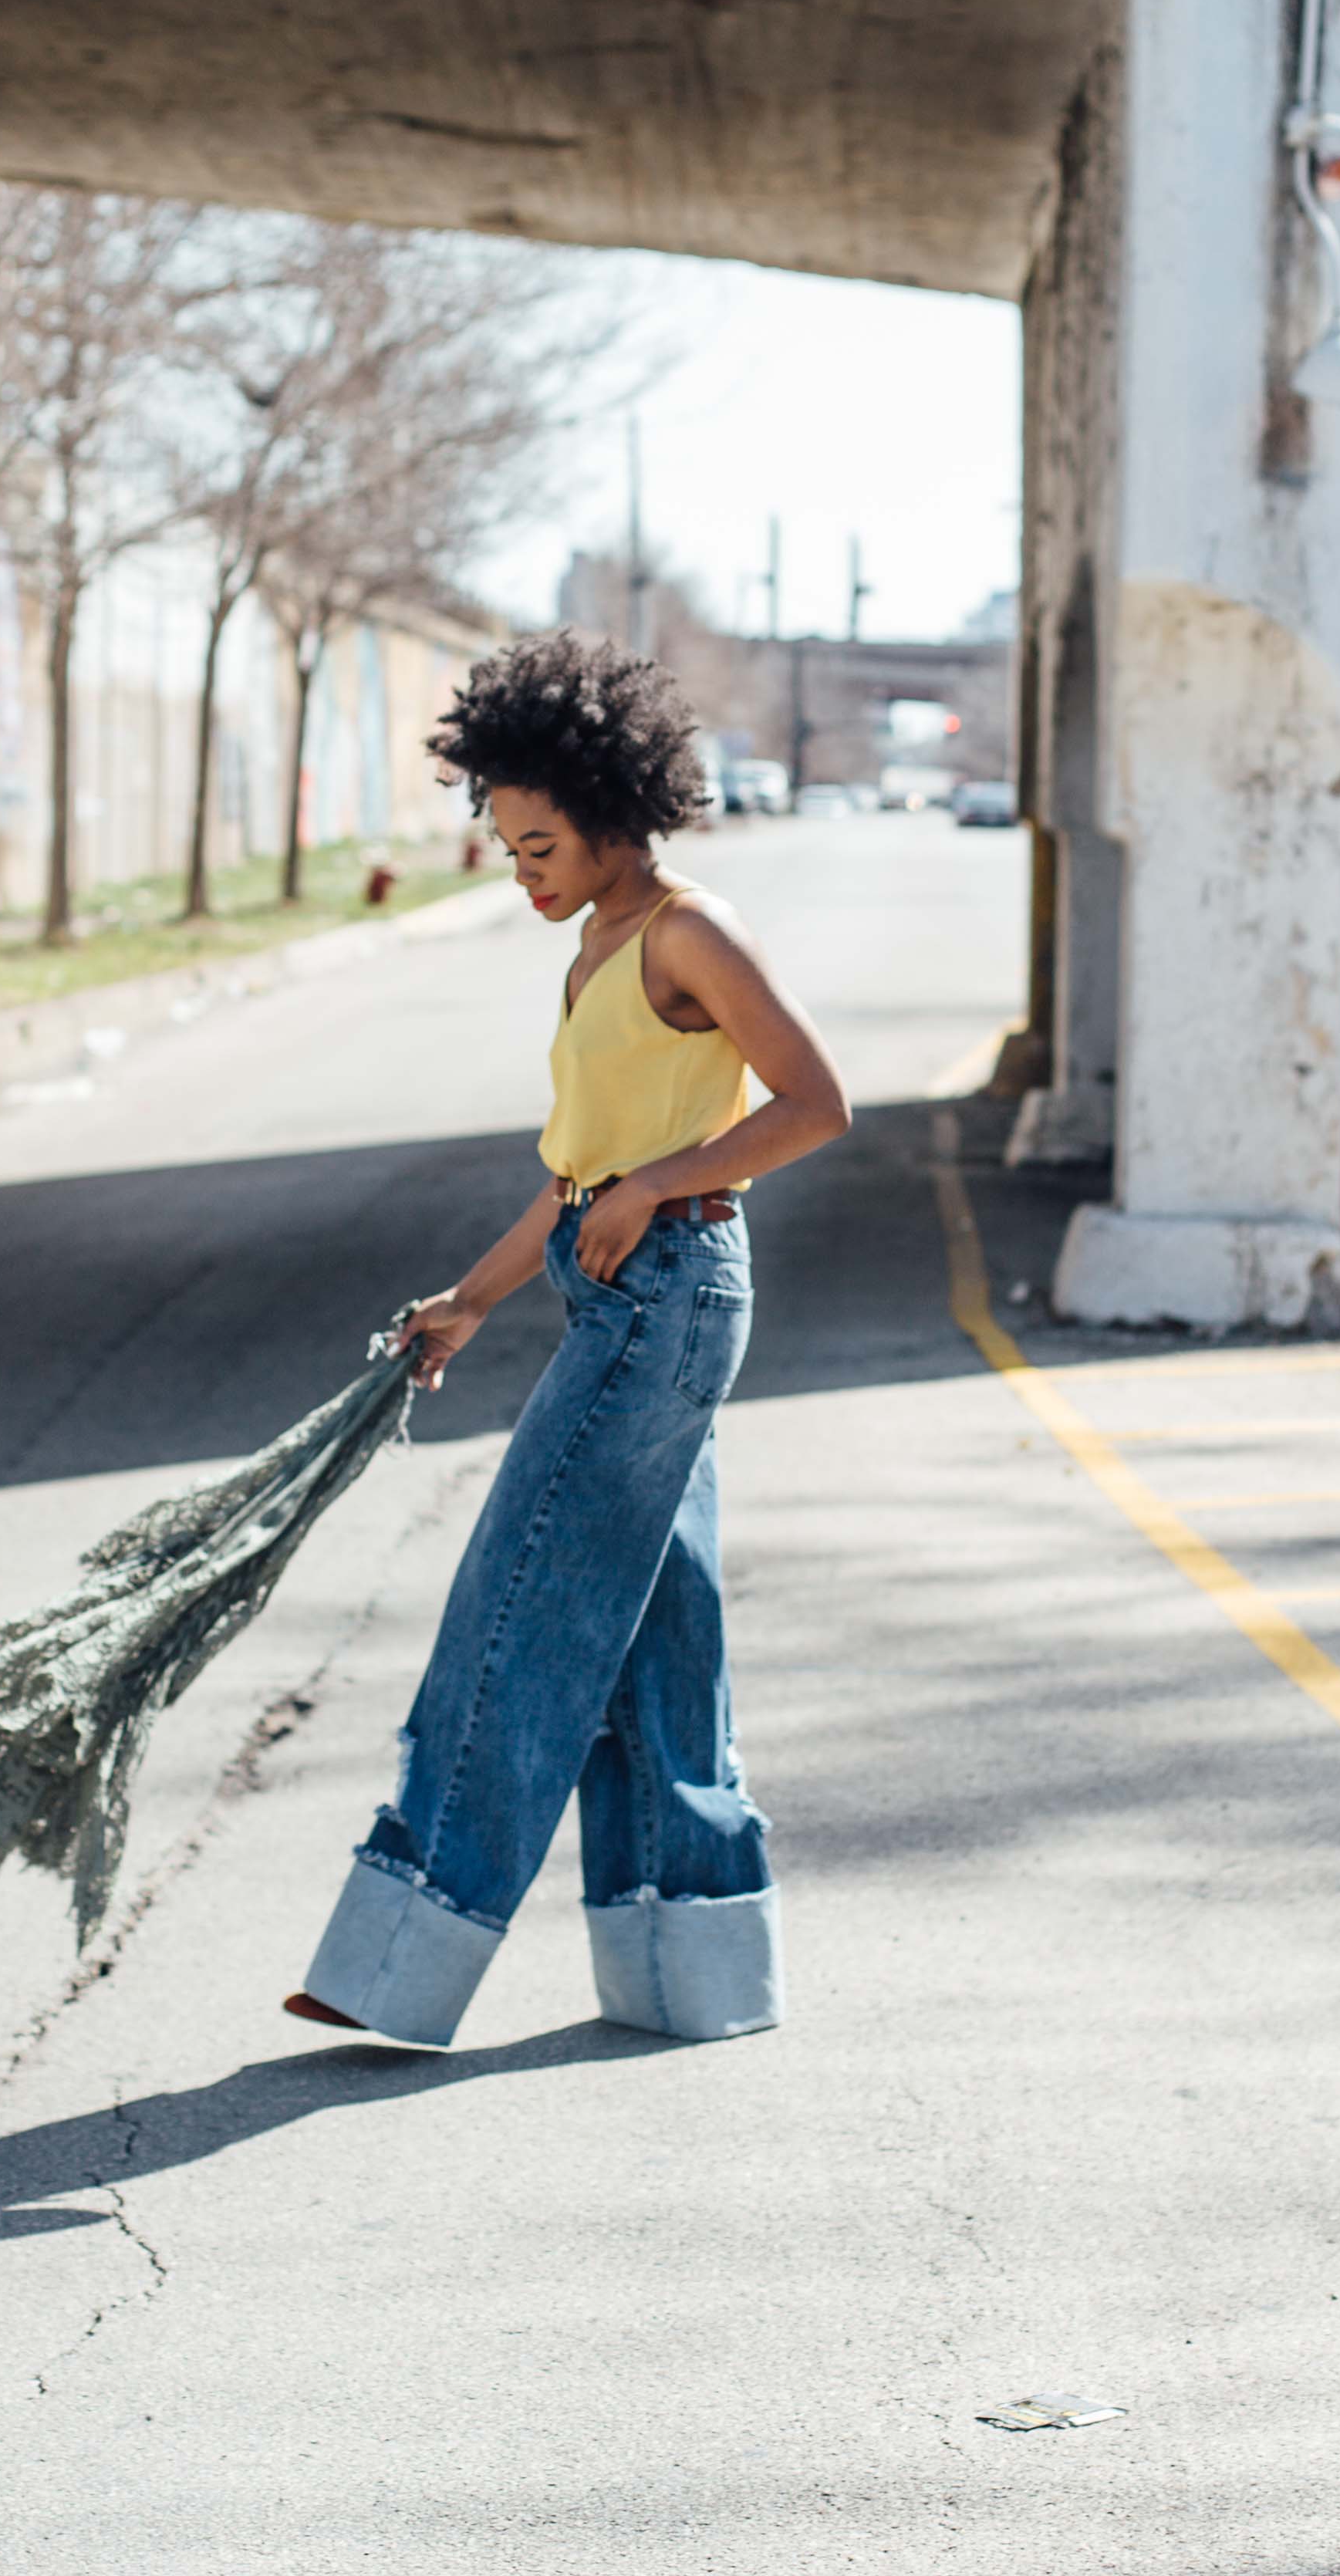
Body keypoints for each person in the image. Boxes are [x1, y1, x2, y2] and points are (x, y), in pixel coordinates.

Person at [289, 633, 850, 2048]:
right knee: (664, 1640)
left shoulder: (685, 932)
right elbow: (573, 1172)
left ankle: (402, 1943)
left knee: (517, 1598)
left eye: (540, 842)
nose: (522, 868)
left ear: (613, 812)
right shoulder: (596, 947)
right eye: (506, 844)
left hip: (671, 1290)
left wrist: (663, 1184)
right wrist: (472, 1299)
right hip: (625, 1288)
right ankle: (693, 1966)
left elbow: (815, 1103)